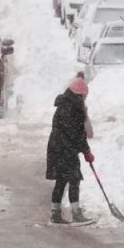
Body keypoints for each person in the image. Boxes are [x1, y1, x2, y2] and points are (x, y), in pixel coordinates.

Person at [46, 73, 94, 224]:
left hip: (56, 147)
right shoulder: (75, 109)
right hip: (65, 149)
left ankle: (55, 213)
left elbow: (73, 132)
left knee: (61, 180)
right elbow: (78, 134)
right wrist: (86, 151)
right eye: (84, 96)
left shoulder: (64, 105)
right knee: (74, 179)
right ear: (80, 95)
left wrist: (84, 149)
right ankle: (76, 213)